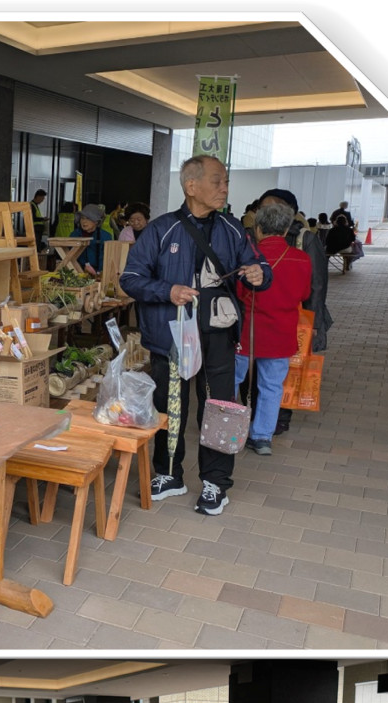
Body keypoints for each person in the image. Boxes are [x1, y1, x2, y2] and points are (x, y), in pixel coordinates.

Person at [117, 154, 269, 515]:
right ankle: (169, 474)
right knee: (170, 406)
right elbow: (130, 279)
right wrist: (167, 291)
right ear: (191, 186)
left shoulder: (232, 228)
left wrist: (262, 274)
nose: (224, 188)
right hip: (171, 336)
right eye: (217, 181)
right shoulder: (161, 229)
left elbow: (259, 263)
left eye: (226, 181)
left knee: (219, 407)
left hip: (218, 335)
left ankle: (216, 482)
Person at [234, 201, 312, 458]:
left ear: (257, 229)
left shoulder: (247, 258)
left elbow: (238, 293)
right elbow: (303, 293)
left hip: (247, 330)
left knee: (230, 380)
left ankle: (227, 432)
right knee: (272, 386)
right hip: (281, 331)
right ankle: (262, 437)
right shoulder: (301, 259)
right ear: (288, 227)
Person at [255, 188, 331, 439]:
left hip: (295, 315)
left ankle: (279, 418)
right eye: (263, 208)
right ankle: (261, 420)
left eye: (273, 207)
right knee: (269, 371)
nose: (267, 213)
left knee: (291, 368)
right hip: (261, 316)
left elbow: (317, 285)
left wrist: (315, 323)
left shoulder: (305, 239)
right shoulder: (253, 235)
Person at [75, 204, 112, 276]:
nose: (84, 222)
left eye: (88, 218)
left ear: (96, 221)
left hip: (99, 275)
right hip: (77, 274)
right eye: (82, 218)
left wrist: (98, 273)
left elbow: (108, 259)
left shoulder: (106, 237)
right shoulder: (74, 235)